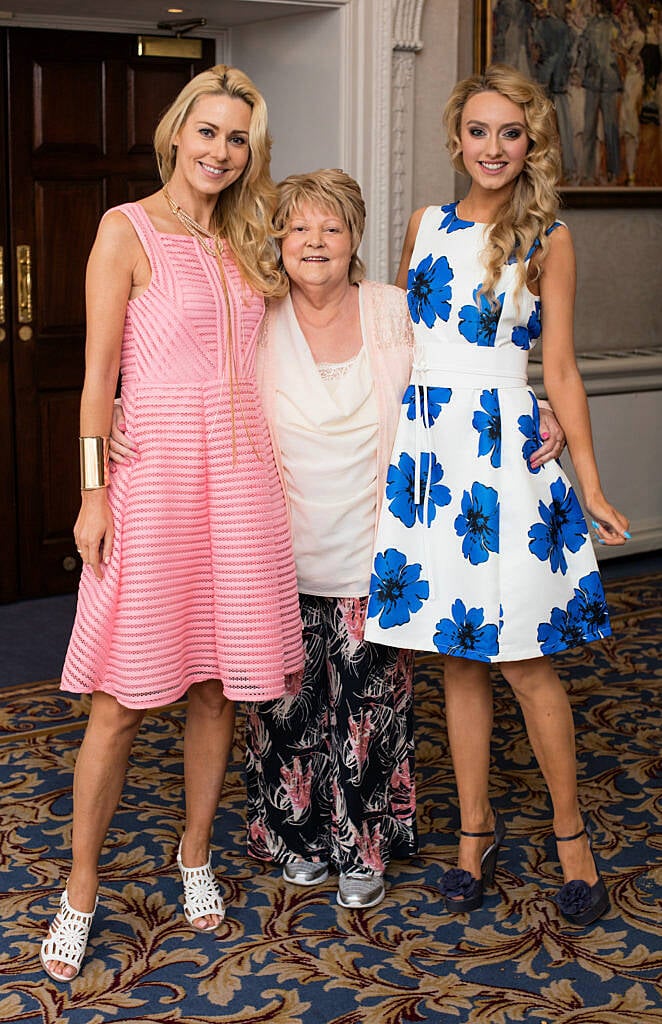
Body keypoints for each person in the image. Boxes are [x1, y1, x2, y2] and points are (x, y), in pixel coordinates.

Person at [110, 168, 566, 910]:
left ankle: (366, 846)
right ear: (277, 241)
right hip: (270, 548)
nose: (314, 242)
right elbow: (183, 365)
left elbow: (470, 362)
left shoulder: (393, 311)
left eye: (332, 227)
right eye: (298, 228)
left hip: (375, 548)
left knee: (368, 709)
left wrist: (535, 404)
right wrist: (125, 415)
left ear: (355, 238)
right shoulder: (253, 314)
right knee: (283, 711)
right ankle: (297, 838)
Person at [40, 65, 303, 983]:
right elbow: (96, 375)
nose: (222, 152)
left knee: (217, 687)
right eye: (209, 133)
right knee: (118, 702)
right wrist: (91, 491)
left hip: (239, 486)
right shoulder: (126, 230)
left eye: (239, 139)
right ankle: (79, 886)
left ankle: (194, 854)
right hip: (150, 484)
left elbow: (328, 315)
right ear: (176, 132)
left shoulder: (250, 239)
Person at [364, 64, 630, 928]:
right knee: (457, 657)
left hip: (506, 457)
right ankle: (472, 835)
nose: (492, 147)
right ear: (456, 138)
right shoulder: (423, 227)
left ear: (531, 144)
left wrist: (587, 480)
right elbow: (406, 344)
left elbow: (559, 367)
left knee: (523, 659)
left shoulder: (547, 236)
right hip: (433, 460)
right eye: (478, 131)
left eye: (509, 133)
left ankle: (570, 834)